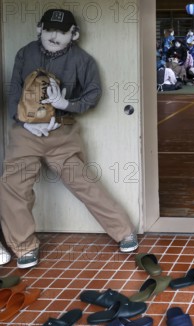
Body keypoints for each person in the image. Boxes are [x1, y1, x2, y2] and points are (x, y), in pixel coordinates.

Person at [0, 9, 138, 269]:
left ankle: (123, 231)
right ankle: (24, 245)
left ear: (74, 34)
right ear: (39, 28)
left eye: (62, 32)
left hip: (61, 132)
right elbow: (13, 92)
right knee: (13, 186)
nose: (55, 35)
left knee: (83, 182)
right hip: (25, 132)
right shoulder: (24, 53)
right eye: (50, 29)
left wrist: (65, 103)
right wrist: (25, 123)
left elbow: (93, 95)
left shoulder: (82, 60)